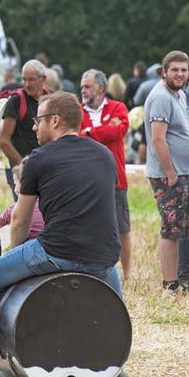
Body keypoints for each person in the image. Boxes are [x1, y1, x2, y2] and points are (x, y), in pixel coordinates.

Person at [0, 92, 121, 377]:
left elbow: (20, 217)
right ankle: (114, 357)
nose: (33, 127)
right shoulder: (104, 155)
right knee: (112, 305)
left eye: (38, 120)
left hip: (57, 252)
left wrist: (14, 254)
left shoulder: (38, 160)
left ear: (55, 121)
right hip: (104, 258)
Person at [145, 51, 189, 291]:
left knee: (181, 227)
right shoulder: (161, 97)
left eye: (184, 70)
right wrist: (171, 171)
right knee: (170, 228)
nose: (180, 74)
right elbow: (158, 139)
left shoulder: (179, 95)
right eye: (175, 69)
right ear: (164, 71)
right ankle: (170, 283)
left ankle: (180, 279)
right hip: (168, 174)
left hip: (183, 171)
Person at [79, 69, 132, 280]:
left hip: (115, 179)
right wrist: (101, 131)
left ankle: (127, 275)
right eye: (82, 86)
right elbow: (77, 138)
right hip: (86, 181)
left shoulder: (118, 107)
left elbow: (119, 131)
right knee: (88, 228)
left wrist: (90, 132)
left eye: (87, 86)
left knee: (122, 229)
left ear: (100, 88)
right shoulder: (77, 111)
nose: (82, 90)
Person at [0, 60, 49, 191]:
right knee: (23, 210)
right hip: (21, 167)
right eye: (24, 79)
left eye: (31, 80)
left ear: (43, 79)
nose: (27, 84)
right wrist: (23, 166)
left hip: (45, 167)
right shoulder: (16, 101)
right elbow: (4, 141)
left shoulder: (51, 98)